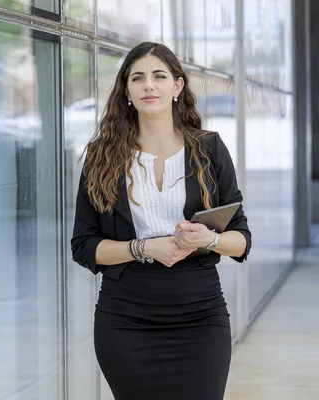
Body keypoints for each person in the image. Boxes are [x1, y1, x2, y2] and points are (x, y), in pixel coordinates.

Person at [71, 42, 252, 399]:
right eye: (137, 78)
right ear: (126, 90)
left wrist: (208, 240)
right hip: (125, 322)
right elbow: (84, 246)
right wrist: (143, 247)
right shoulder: (101, 157)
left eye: (159, 76)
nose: (148, 85)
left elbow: (242, 239)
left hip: (200, 319)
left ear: (177, 86)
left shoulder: (208, 148)